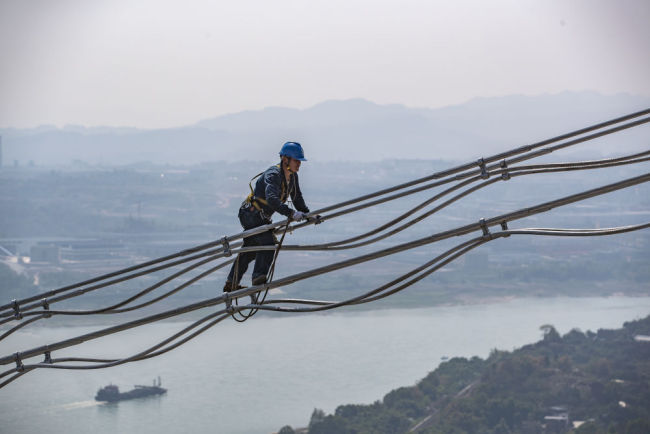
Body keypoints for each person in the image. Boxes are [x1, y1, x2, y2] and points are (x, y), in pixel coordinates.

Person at [223, 141, 311, 293]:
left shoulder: (292, 177)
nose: (299, 164)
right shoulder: (274, 175)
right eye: (296, 160)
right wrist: (291, 214)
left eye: (299, 161)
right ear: (285, 160)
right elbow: (272, 199)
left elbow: (297, 199)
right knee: (267, 244)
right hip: (251, 214)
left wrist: (308, 214)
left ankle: (231, 283)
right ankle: (258, 276)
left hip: (259, 217)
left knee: (250, 250)